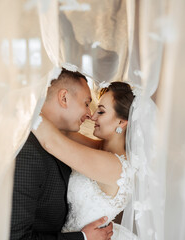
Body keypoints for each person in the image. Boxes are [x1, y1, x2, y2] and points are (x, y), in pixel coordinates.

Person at [10, 68, 113, 240]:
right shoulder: (27, 154)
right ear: (64, 97)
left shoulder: (61, 140)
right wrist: (82, 238)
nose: (89, 114)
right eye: (87, 103)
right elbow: (16, 237)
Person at [32, 82, 137, 239]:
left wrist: (23, 104)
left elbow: (51, 141)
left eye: (101, 112)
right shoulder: (100, 149)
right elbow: (63, 131)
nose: (92, 116)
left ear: (121, 122)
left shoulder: (112, 166)